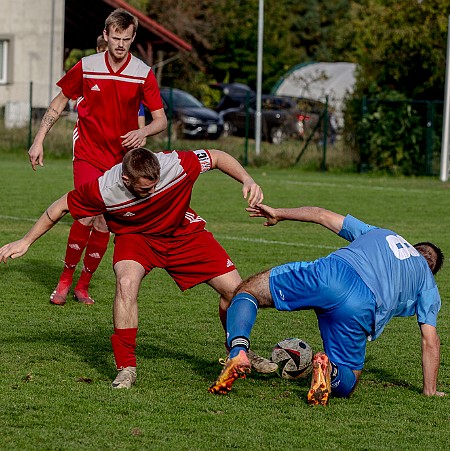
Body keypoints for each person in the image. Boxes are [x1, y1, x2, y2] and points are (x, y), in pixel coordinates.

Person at [0, 147, 277, 388]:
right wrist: (25, 241)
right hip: (136, 238)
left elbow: (216, 157)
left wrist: (247, 178)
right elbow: (59, 208)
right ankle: (126, 367)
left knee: (238, 293)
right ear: (126, 178)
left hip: (182, 233)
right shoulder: (104, 189)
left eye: (156, 184)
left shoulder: (176, 164)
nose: (153, 191)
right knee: (126, 283)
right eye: (145, 188)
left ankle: (239, 351)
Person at [209, 203, 445, 405]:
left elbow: (321, 215)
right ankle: (328, 370)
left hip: (331, 274)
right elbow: (430, 340)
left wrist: (278, 213)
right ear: (431, 268)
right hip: (361, 307)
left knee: (247, 290)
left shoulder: (381, 234)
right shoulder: (427, 283)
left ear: (411, 246)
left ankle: (239, 350)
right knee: (349, 379)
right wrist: (430, 389)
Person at [28, 8, 167, 306]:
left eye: (126, 39)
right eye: (115, 37)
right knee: (86, 212)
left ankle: (83, 285)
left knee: (105, 222)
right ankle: (64, 281)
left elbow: (160, 120)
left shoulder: (143, 72)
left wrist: (144, 134)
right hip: (88, 154)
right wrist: (39, 139)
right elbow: (59, 102)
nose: (120, 44)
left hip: (122, 161)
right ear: (105, 35)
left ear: (132, 38)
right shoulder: (86, 66)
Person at [96, 34, 147, 147]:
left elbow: (138, 106)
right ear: (97, 50)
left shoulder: (127, 76)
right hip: (95, 141)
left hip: (122, 139)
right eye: (103, 52)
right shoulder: (89, 73)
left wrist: (142, 132)